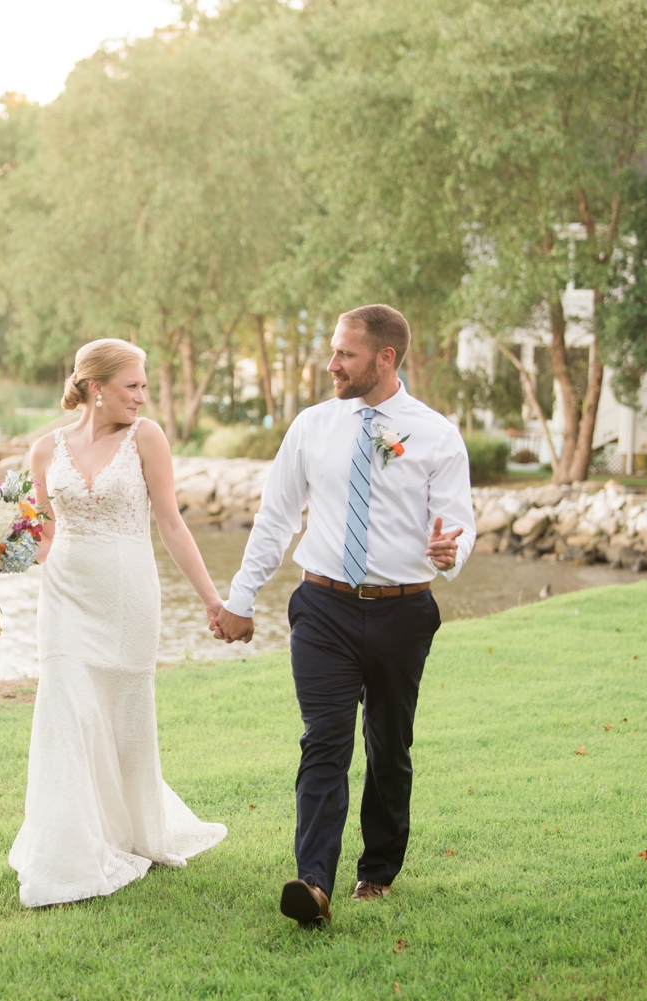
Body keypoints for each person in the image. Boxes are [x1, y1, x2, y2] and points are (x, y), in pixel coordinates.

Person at [212, 304, 475, 928]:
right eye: (334, 352)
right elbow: (276, 519)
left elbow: (457, 521)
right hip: (323, 607)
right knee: (323, 742)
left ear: (384, 359)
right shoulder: (312, 426)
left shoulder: (436, 433)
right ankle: (314, 884)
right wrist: (240, 599)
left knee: (389, 745)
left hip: (403, 611)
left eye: (346, 355)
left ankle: (378, 871)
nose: (332, 364)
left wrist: (451, 551)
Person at [8, 338, 228, 908]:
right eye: (133, 386)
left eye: (144, 386)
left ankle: (130, 832)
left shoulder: (146, 438)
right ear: (96, 388)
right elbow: (44, 534)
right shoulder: (44, 449)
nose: (141, 396)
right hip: (64, 597)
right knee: (67, 712)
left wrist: (211, 599)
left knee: (121, 718)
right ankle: (67, 853)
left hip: (128, 593)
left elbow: (172, 525)